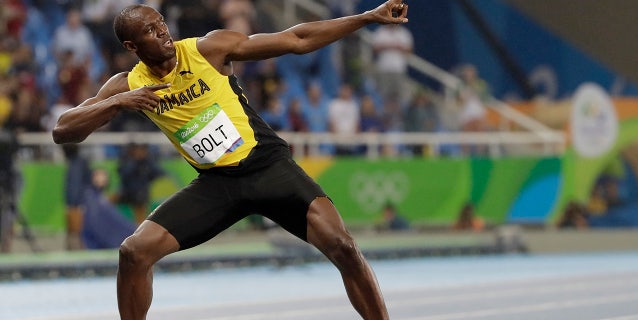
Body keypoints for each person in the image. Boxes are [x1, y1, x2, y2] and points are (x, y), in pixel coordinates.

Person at [52, 2, 409, 319]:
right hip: (216, 185)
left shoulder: (209, 49)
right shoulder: (127, 84)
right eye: (150, 30)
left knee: (343, 246)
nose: (163, 32)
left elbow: (296, 39)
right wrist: (118, 103)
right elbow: (62, 130)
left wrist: (367, 17)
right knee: (133, 252)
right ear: (131, 46)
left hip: (268, 167)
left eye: (161, 23)